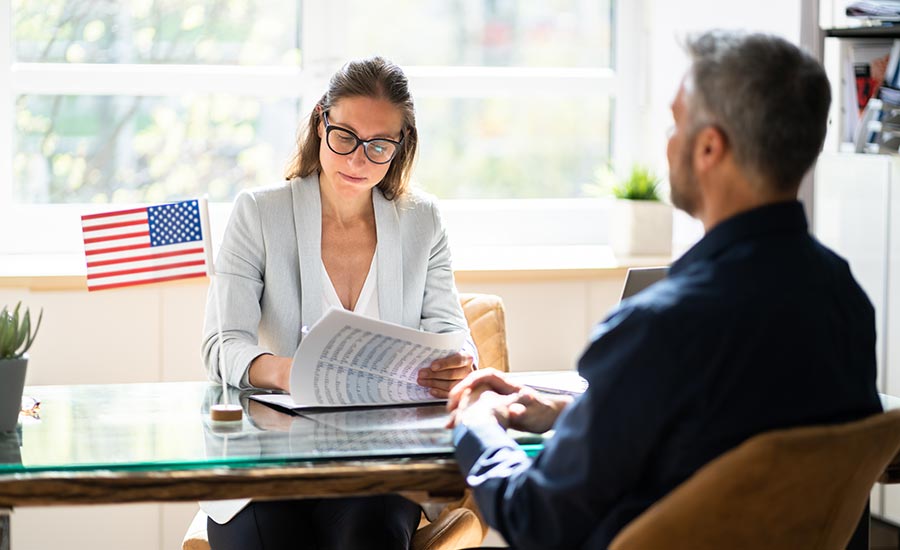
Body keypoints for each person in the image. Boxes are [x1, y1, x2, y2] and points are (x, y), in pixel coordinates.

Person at [446, 30, 883, 550]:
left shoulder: (659, 328)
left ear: (708, 147)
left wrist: (476, 425)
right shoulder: (843, 299)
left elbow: (537, 519)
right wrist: (567, 414)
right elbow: (720, 437)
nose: (668, 140)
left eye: (676, 122)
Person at [201, 56, 477, 550]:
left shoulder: (423, 222)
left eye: (378, 145)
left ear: (401, 146)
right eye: (344, 136)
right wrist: (285, 371)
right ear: (319, 121)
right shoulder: (259, 213)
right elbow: (220, 345)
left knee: (369, 532)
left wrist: (458, 364)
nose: (357, 160)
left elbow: (454, 337)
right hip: (268, 464)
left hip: (378, 466)